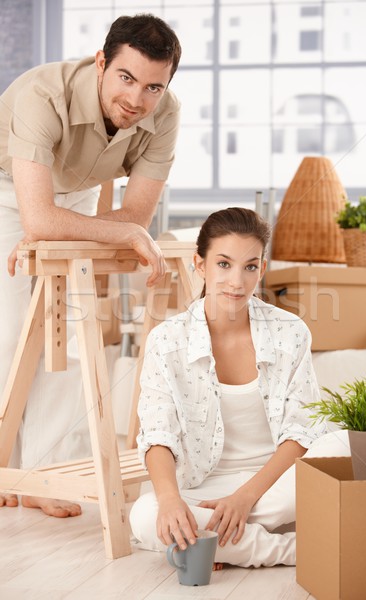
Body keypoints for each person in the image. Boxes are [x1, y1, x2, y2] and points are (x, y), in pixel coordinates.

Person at [0, 14, 182, 516]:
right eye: (125, 78)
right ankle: (5, 469)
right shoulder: (42, 94)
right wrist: (119, 229)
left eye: (153, 87)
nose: (136, 100)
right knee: (14, 331)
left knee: (71, 331)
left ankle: (43, 474)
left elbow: (137, 215)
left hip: (73, 199)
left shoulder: (165, 113)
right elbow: (36, 216)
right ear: (102, 62)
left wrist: (118, 227)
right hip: (9, 189)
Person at [129, 207, 350, 568]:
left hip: (275, 485)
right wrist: (170, 501)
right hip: (204, 487)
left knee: (344, 444)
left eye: (249, 266)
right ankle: (296, 549)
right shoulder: (167, 340)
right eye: (224, 264)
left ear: (261, 269)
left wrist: (244, 498)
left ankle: (213, 540)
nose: (237, 281)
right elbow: (157, 434)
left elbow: (302, 430)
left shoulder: (290, 331)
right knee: (144, 516)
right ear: (199, 265)